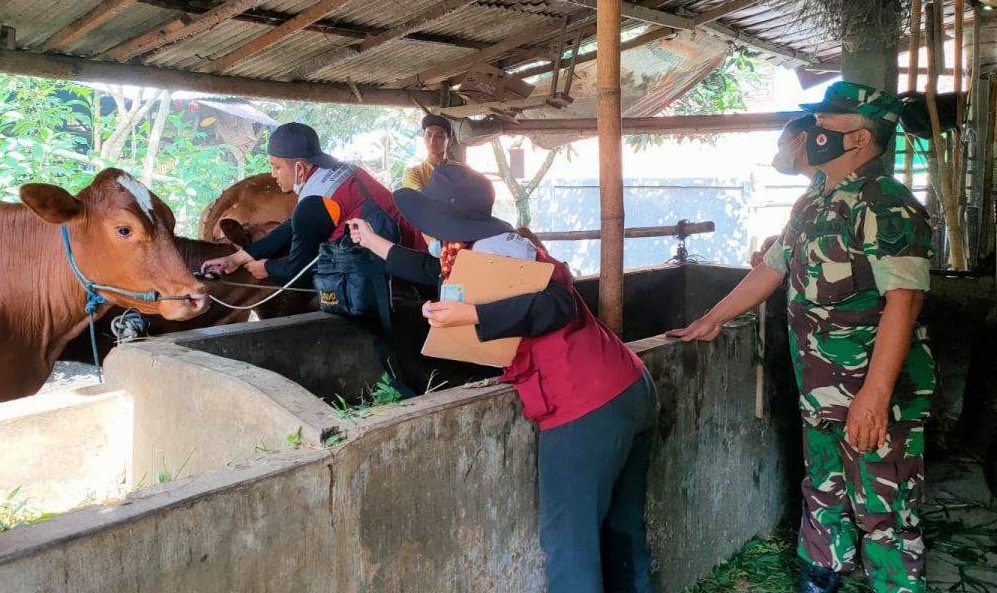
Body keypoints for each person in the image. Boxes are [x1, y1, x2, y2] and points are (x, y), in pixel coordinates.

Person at [668, 82, 935, 593]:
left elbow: (905, 300)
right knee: (825, 488)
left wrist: (874, 399)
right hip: (820, 387)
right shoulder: (813, 198)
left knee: (885, 505)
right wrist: (713, 317)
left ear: (858, 138)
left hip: (872, 393)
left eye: (826, 124)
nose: (813, 132)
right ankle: (823, 573)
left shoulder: (886, 204)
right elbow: (772, 268)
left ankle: (895, 585)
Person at [348, 164, 657, 593]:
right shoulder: (490, 245)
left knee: (569, 542)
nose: (431, 236)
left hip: (584, 405)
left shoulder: (498, 255)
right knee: (621, 533)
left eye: (433, 226)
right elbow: (429, 270)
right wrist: (374, 242)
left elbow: (557, 305)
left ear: (450, 222)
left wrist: (471, 314)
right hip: (627, 385)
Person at [202, 122, 424, 284]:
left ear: (299, 168)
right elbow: (295, 225)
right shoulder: (345, 170)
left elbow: (296, 272)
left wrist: (267, 268)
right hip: (421, 252)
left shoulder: (315, 204)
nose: (273, 174)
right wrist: (236, 258)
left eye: (277, 167)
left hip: (408, 276)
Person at [750, 114, 817, 267]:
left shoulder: (830, 192)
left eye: (782, 145)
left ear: (802, 139)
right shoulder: (812, 194)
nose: (778, 155)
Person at [400, 114, 463, 191]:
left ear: (449, 141)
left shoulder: (462, 169)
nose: (432, 140)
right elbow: (421, 199)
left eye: (439, 136)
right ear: (423, 138)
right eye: (428, 135)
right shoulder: (413, 173)